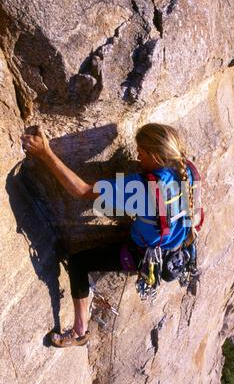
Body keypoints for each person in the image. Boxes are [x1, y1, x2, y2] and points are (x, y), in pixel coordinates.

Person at [21, 123, 196, 347]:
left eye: (141, 153)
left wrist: (45, 153)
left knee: (78, 262)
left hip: (144, 255)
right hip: (177, 247)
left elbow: (81, 190)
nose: (138, 158)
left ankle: (79, 331)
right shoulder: (188, 170)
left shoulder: (142, 188)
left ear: (155, 156)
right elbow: (193, 216)